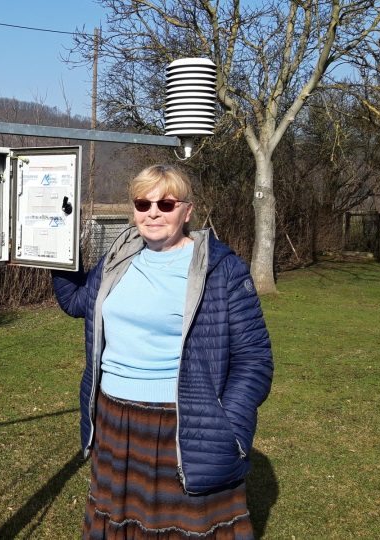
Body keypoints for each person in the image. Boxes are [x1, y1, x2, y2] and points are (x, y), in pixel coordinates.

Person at [52, 164, 273, 539]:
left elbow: (254, 358)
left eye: (166, 204)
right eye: (143, 202)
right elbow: (76, 301)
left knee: (184, 528)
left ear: (187, 211)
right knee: (120, 522)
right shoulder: (119, 257)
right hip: (115, 418)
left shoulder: (220, 268)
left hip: (184, 422)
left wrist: (230, 424)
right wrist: (53, 249)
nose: (153, 212)